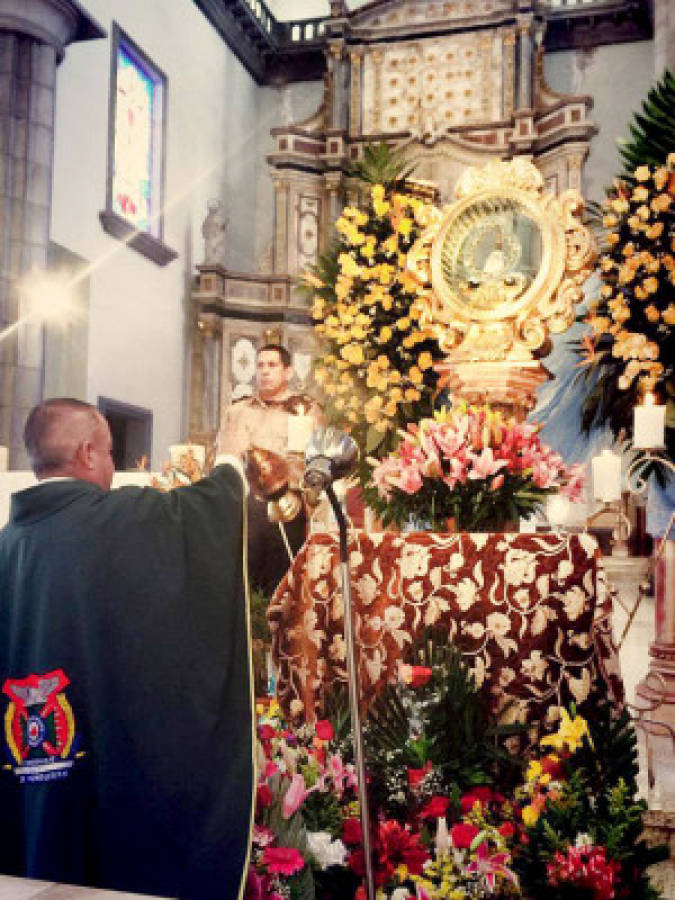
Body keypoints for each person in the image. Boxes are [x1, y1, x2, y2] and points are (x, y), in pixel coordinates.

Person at [0, 398, 253, 899]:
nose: (115, 469)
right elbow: (205, 513)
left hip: (29, 768)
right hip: (112, 793)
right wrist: (231, 462)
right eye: (112, 453)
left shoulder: (8, 544)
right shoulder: (121, 520)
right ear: (88, 453)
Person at [219, 344, 322, 597]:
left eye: (272, 365)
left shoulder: (305, 410)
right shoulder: (237, 411)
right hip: (243, 509)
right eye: (260, 365)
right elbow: (222, 459)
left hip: (286, 508)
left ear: (287, 372)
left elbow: (317, 464)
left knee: (282, 588)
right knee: (241, 584)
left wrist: (305, 498)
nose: (265, 371)